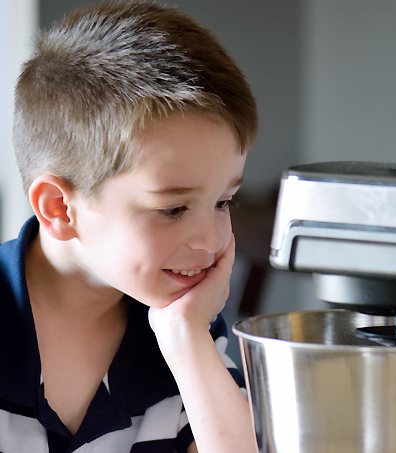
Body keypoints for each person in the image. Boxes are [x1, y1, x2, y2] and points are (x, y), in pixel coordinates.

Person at [4, 1, 259, 452]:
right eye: (174, 209)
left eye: (223, 202)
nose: (212, 240)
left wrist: (185, 340)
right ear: (60, 209)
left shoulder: (189, 328)